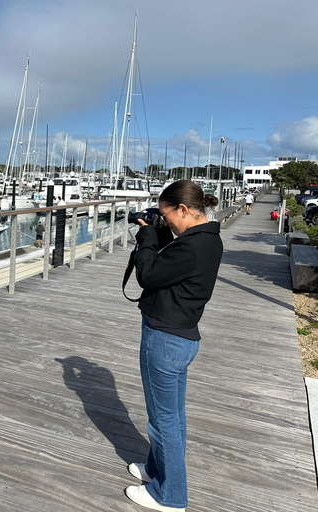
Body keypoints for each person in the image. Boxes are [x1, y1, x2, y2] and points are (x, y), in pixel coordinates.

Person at [125, 180, 223, 512]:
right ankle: (155, 469)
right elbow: (173, 267)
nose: (165, 221)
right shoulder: (206, 238)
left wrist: (147, 239)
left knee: (162, 420)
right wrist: (160, 232)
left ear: (183, 209)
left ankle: (170, 496)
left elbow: (148, 275)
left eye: (167, 215)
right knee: (172, 416)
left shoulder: (192, 247)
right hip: (180, 337)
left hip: (164, 340)